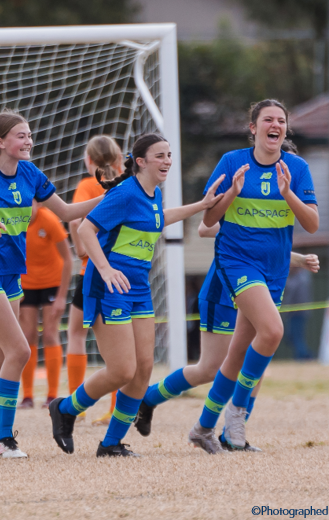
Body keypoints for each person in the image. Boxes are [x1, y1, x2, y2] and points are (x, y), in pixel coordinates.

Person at [0, 109, 104, 459]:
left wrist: (114, 196)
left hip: (11, 275)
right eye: (21, 136)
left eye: (29, 135)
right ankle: (3, 440)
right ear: (0, 142)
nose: (28, 141)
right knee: (21, 351)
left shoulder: (31, 173)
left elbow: (69, 213)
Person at [134, 139, 320, 452]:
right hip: (225, 287)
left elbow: (266, 241)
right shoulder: (241, 179)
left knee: (253, 360)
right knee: (212, 366)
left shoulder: (286, 193)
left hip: (261, 282)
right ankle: (149, 399)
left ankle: (228, 432)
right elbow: (209, 229)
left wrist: (295, 256)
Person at [49, 133, 224, 457]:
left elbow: (159, 219)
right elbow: (86, 228)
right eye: (160, 155)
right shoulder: (125, 192)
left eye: (169, 155)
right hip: (109, 286)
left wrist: (201, 206)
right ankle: (66, 409)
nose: (168, 161)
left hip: (138, 287)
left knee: (144, 368)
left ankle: (112, 442)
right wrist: (104, 269)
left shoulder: (152, 193)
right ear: (140, 161)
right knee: (122, 370)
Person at [188, 99, 318, 453]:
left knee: (236, 354)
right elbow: (209, 221)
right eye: (268, 120)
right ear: (254, 128)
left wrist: (288, 192)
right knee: (273, 330)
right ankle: (237, 413)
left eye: (281, 121)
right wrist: (232, 190)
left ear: (285, 130)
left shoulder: (297, 167)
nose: (275, 125)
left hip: (274, 269)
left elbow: (312, 223)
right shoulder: (232, 162)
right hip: (237, 262)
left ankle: (203, 428)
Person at [67, 135, 123, 424]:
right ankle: (116, 408)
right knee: (119, 344)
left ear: (89, 161)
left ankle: (77, 404)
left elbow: (76, 220)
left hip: (93, 271)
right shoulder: (127, 183)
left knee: (76, 334)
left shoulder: (89, 185)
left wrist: (80, 249)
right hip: (123, 270)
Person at [18, 199, 72, 409]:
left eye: (30, 202)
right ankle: (28, 396)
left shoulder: (49, 220)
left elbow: (68, 259)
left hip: (52, 283)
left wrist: (61, 296)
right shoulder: (15, 222)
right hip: (26, 284)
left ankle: (51, 396)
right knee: (27, 335)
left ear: (38, 204)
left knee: (50, 334)